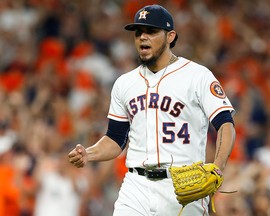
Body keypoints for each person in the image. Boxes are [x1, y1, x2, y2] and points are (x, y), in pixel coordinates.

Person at [68, 4, 236, 216]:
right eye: (138, 33)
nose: (143, 37)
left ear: (170, 36)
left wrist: (218, 167)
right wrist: (88, 154)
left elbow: (226, 124)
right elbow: (115, 139)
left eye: (151, 31)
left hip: (184, 187)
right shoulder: (124, 83)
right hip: (136, 187)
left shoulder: (197, 76)